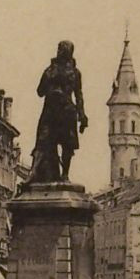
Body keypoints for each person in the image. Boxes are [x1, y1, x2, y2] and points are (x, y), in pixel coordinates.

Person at [27, 40, 88, 185]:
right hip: (50, 111)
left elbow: (79, 94)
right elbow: (40, 91)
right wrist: (49, 76)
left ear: (69, 52)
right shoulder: (50, 70)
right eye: (59, 48)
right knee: (42, 141)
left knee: (67, 144)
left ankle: (65, 175)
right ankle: (34, 172)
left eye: (62, 49)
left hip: (66, 112)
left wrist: (82, 115)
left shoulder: (75, 73)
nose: (59, 51)